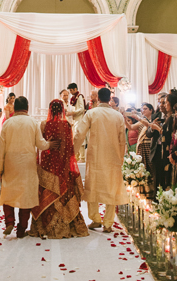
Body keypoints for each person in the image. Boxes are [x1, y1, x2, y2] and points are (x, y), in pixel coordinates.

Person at [0, 96, 56, 238]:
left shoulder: (7, 123)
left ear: (14, 108)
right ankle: (21, 230)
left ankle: (9, 222)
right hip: (27, 165)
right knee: (26, 196)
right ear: (27, 107)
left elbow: (1, 148)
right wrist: (49, 144)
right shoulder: (32, 122)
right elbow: (41, 144)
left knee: (9, 192)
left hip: (11, 163)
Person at [29, 99, 88, 239]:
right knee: (64, 191)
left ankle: (44, 226)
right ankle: (67, 224)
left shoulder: (44, 124)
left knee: (47, 192)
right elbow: (69, 147)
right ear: (62, 109)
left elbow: (41, 144)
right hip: (62, 164)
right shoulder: (67, 124)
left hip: (48, 165)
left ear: (50, 109)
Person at [74, 87, 128, 233]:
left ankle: (95, 219)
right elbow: (122, 139)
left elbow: (80, 133)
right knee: (111, 187)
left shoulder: (92, 113)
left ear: (98, 98)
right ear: (110, 99)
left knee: (93, 185)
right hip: (113, 156)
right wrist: (121, 157)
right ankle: (108, 223)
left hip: (96, 155)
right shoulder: (118, 116)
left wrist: (72, 152)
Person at [67, 83, 87, 161]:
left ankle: (82, 157)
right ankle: (77, 156)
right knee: (75, 138)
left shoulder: (79, 97)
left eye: (71, 90)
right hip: (75, 120)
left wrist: (72, 113)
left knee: (80, 138)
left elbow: (82, 109)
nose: (71, 92)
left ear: (75, 89)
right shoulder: (74, 98)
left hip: (80, 120)